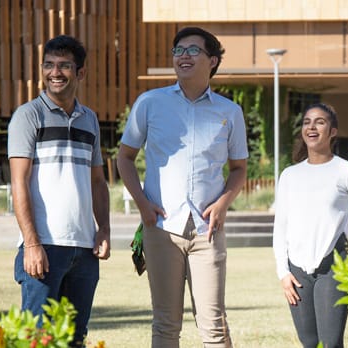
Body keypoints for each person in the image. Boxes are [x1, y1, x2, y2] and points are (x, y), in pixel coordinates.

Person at [116, 27, 247, 347]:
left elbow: (239, 169)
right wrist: (144, 205)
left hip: (208, 231)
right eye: (178, 51)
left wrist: (223, 204)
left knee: (214, 325)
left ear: (212, 61)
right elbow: (125, 159)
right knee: (165, 324)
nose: (183, 56)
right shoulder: (149, 103)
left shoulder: (230, 112)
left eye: (192, 50)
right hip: (160, 228)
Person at [7, 35, 111, 348]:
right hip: (44, 248)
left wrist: (103, 229)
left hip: (84, 249)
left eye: (64, 66)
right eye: (49, 65)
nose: (55, 72)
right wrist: (32, 243)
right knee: (36, 340)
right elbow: (19, 182)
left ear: (80, 73)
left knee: (75, 339)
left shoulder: (90, 119)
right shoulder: (28, 116)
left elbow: (97, 182)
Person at [273, 103, 348, 348]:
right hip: (297, 271)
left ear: (333, 131)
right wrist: (283, 272)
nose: (311, 127)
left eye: (320, 122)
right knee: (309, 342)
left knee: (331, 343)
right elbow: (280, 226)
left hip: (334, 266)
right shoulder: (289, 175)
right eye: (306, 122)